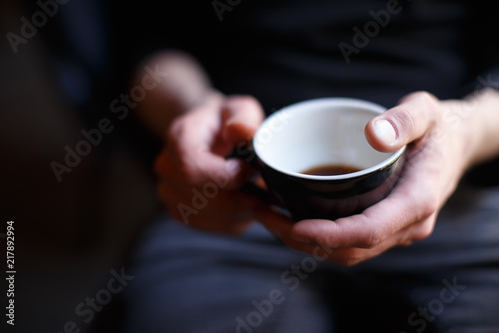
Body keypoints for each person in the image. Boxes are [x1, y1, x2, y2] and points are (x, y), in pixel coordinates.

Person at [119, 1, 499, 332]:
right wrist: (195, 109)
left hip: (448, 184)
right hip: (240, 204)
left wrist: (465, 130)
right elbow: (148, 39)